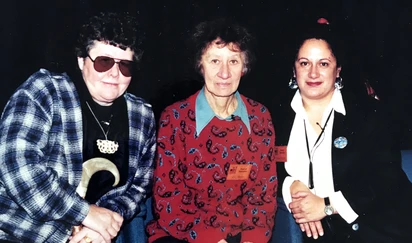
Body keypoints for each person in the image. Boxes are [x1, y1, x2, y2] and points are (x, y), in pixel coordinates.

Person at [268, 19, 412, 243]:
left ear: (338, 70)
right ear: (294, 70)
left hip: (382, 228)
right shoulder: (274, 117)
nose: (313, 73)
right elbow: (265, 166)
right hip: (326, 235)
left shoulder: (368, 113)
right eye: (305, 63)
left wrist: (326, 207)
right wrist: (292, 186)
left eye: (323, 63)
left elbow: (386, 179)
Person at [0, 11, 156, 243]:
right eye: (104, 62)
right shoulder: (44, 91)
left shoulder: (141, 115)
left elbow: (139, 186)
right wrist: (84, 214)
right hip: (23, 232)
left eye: (125, 66)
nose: (114, 73)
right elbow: (17, 167)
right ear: (82, 61)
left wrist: (104, 222)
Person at [146, 18, 278, 243]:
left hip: (241, 234)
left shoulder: (260, 117)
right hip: (182, 233)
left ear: (244, 67)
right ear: (201, 64)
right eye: (215, 60)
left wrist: (252, 240)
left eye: (234, 61)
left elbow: (263, 195)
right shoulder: (175, 118)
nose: (224, 73)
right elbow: (168, 198)